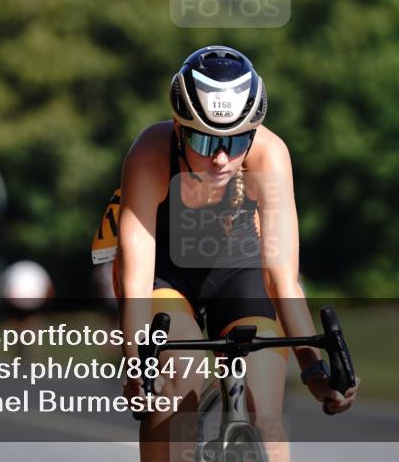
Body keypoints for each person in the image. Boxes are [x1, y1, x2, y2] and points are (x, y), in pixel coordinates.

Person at [115, 46, 357, 462]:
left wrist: (313, 368)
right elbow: (134, 278)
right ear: (178, 129)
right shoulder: (151, 153)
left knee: (266, 413)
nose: (222, 158)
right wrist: (138, 365)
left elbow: (282, 278)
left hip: (239, 271)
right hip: (167, 276)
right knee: (178, 380)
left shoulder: (270, 154)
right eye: (204, 139)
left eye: (237, 139)